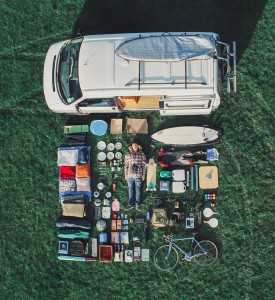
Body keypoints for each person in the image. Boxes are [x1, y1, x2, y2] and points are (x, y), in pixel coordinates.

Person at [124, 140, 147, 211]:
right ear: (131, 146)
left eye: (136, 145)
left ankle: (138, 204)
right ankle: (131, 204)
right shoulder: (128, 154)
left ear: (138, 146)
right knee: (130, 190)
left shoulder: (142, 154)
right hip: (130, 175)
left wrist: (143, 175)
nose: (135, 146)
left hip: (139, 175)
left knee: (138, 190)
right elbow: (126, 165)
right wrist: (126, 175)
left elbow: (144, 165)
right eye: (134, 145)